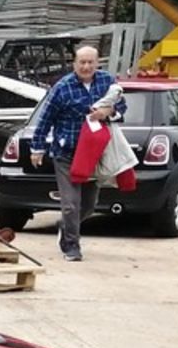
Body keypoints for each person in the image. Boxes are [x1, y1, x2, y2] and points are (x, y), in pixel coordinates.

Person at [26, 44, 123, 261]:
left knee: (89, 204)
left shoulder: (107, 81)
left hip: (93, 152)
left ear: (97, 63)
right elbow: (45, 118)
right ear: (75, 64)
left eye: (90, 62)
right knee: (71, 203)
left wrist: (109, 111)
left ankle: (66, 226)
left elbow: (122, 105)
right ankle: (71, 247)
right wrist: (37, 147)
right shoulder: (62, 87)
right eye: (82, 62)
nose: (86, 66)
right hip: (66, 152)